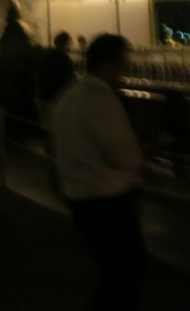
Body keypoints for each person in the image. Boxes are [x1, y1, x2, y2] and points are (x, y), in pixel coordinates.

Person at [52, 34, 145, 311]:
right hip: (110, 204)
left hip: (81, 200)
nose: (125, 72)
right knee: (124, 278)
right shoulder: (103, 101)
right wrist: (143, 154)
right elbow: (123, 155)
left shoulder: (67, 98)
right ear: (110, 65)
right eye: (123, 64)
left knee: (110, 276)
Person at [37, 31, 78, 180]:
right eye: (69, 43)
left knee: (48, 132)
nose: (69, 47)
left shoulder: (45, 58)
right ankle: (59, 166)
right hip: (57, 100)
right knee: (59, 133)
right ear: (63, 44)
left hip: (42, 98)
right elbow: (72, 80)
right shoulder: (65, 60)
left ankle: (51, 165)